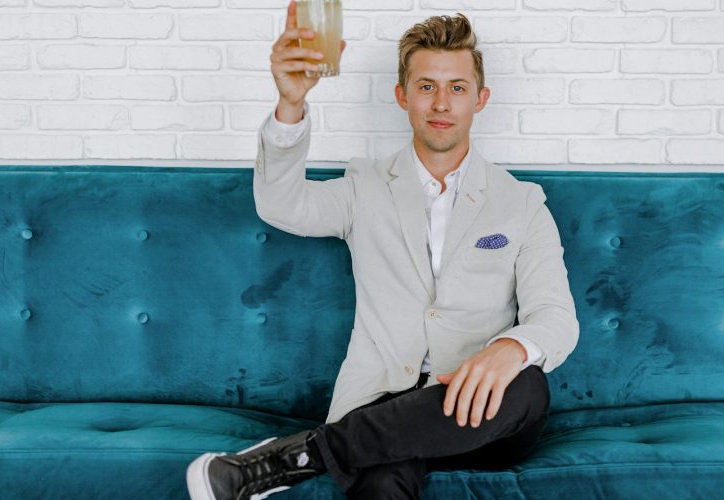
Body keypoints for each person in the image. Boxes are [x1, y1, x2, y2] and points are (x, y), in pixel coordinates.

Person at [187, 2, 578, 498]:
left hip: (481, 413)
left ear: (480, 99)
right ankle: (328, 450)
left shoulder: (521, 203)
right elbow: (280, 204)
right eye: (426, 87)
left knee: (529, 383)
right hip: (380, 405)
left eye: (457, 88)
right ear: (402, 96)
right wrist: (290, 105)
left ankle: (292, 459)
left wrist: (508, 350)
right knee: (381, 472)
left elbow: (557, 317)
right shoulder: (363, 186)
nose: (441, 103)